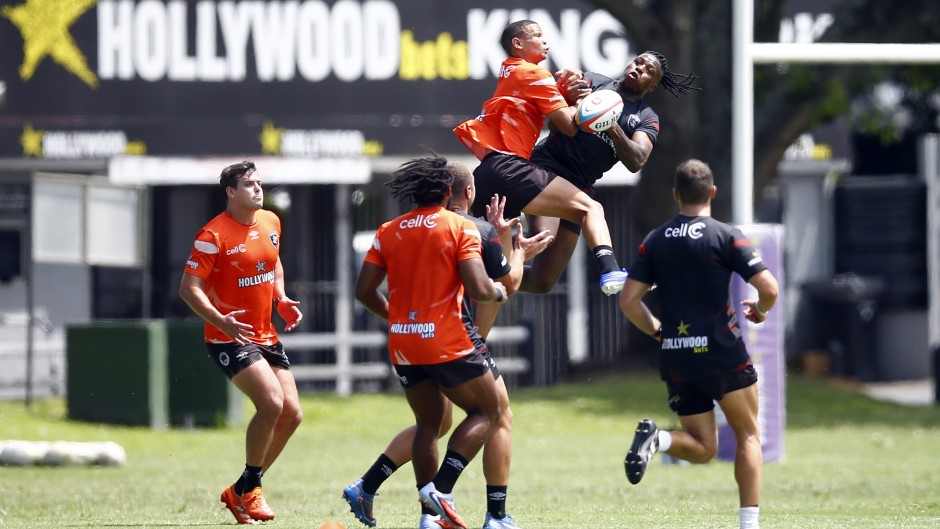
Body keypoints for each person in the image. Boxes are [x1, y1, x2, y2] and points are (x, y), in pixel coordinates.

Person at [343, 163, 552, 529]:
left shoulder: (388, 230)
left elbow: (363, 291)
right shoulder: (463, 227)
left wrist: (397, 316)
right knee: (491, 413)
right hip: (449, 340)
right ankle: (455, 497)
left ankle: (429, 518)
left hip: (405, 343)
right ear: (454, 193)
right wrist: (513, 260)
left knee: (430, 423)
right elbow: (486, 285)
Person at [618, 159, 779, 529]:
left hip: (677, 357)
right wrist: (761, 310)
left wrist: (659, 331)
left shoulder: (654, 240)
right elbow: (769, 288)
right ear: (713, 193)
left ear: (675, 195)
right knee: (748, 435)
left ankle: (658, 439)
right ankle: (749, 524)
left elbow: (628, 301)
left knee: (703, 448)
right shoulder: (726, 235)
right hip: (723, 353)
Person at [453, 19, 629, 296]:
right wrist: (584, 102)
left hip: (486, 175)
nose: (545, 41)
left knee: (503, 279)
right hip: (509, 168)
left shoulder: (510, 70)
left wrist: (564, 88)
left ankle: (473, 331)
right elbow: (570, 127)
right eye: (537, 35)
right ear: (518, 44)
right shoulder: (534, 73)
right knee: (590, 209)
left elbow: (541, 99)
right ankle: (611, 271)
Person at [178, 160, 304, 525]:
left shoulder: (270, 221)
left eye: (260, 183)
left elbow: (273, 262)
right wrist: (220, 320)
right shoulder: (212, 234)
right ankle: (252, 491)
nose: (258, 190)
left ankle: (242, 490)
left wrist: (281, 297)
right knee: (272, 403)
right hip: (226, 337)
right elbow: (188, 289)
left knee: (292, 414)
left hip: (266, 334)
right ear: (231, 192)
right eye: (249, 185)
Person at [520, 50, 700, 294]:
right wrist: (575, 100)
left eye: (649, 71)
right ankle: (483, 253)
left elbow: (637, 160)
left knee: (541, 282)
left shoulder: (646, 117)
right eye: (638, 62)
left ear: (653, 86)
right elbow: (555, 123)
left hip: (579, 186)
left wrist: (610, 123)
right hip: (547, 167)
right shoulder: (594, 82)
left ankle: (489, 270)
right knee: (544, 237)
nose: (639, 69)